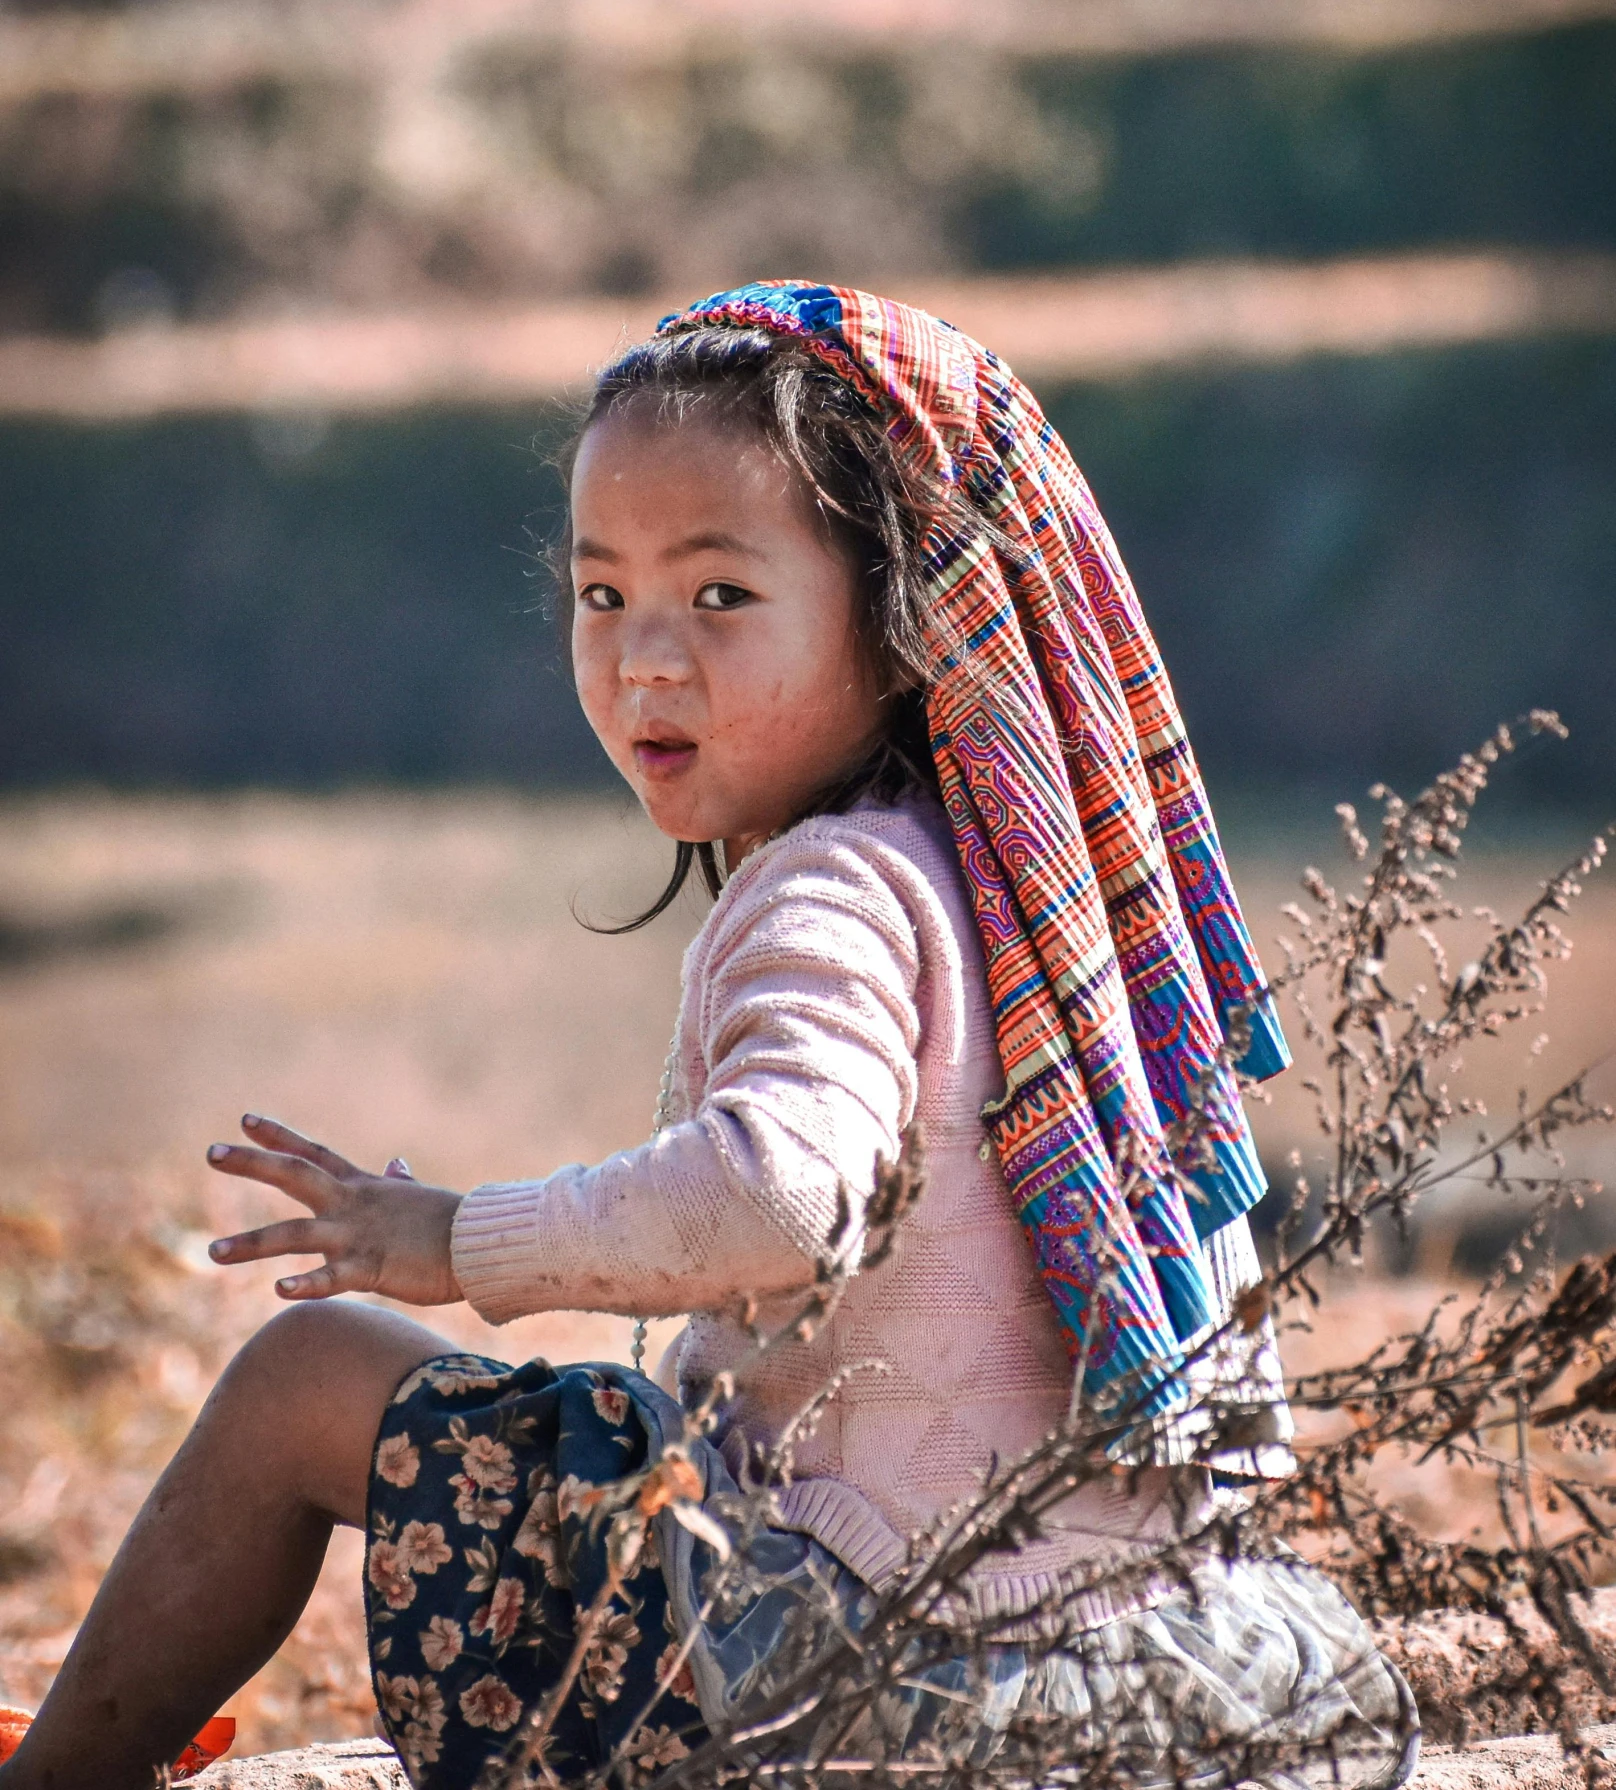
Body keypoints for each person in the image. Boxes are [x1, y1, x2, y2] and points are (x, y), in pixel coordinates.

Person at [0, 285, 1417, 1790]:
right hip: (1118, 1664)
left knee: (306, 1371)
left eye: (720, 597)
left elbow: (775, 1197)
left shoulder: (839, 887)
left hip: (862, 1673)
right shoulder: (1047, 924)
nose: (645, 661)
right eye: (603, 596)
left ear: (905, 617)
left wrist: (462, 1238)